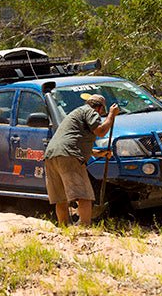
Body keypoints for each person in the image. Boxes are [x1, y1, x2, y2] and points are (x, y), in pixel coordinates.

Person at [44, 94, 120, 226]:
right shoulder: (90, 112)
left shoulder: (76, 113)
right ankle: (85, 228)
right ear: (100, 108)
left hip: (52, 156)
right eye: (103, 111)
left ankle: (64, 228)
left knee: (61, 199)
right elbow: (101, 131)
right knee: (84, 195)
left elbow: (73, 140)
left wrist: (99, 153)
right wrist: (112, 115)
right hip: (69, 155)